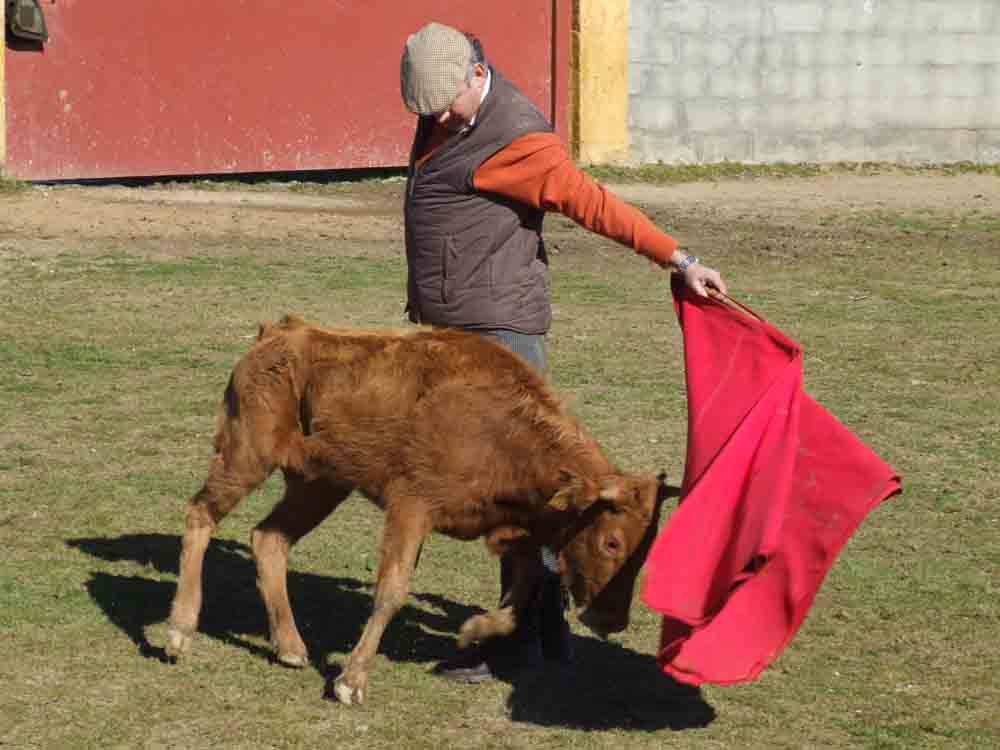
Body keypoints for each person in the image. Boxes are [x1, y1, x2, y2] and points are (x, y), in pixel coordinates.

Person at [400, 22, 726, 683]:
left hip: (498, 340)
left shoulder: (517, 138)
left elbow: (595, 204)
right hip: (462, 333)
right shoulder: (449, 110)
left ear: (475, 73)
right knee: (530, 495)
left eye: (444, 102)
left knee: (515, 500)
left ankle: (516, 645)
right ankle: (547, 637)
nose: (435, 115)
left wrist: (679, 258)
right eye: (424, 105)